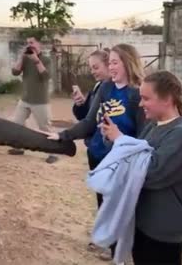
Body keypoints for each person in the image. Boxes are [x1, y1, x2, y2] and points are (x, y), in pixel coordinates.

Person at [45, 43, 146, 262]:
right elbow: (90, 121)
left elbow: (142, 139)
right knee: (104, 203)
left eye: (114, 62)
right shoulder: (106, 88)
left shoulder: (137, 95)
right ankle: (110, 247)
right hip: (99, 157)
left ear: (128, 63)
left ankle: (123, 252)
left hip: (122, 164)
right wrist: (64, 135)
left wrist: (119, 140)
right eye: (109, 62)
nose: (110, 67)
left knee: (121, 210)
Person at [100, 70, 182, 265]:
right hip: (144, 221)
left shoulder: (181, 134)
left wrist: (120, 141)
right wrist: (113, 139)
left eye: (146, 98)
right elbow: (135, 154)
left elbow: (151, 172)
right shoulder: (155, 124)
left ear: (167, 99)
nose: (140, 104)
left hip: (163, 228)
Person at [70, 48, 113, 256]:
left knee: (109, 197)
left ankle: (109, 243)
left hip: (106, 151)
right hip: (94, 149)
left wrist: (65, 136)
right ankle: (103, 237)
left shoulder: (113, 90)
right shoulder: (98, 87)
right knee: (101, 196)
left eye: (96, 67)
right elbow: (85, 117)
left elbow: (92, 122)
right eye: (91, 68)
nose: (93, 72)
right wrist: (79, 103)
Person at [8, 35, 59, 164]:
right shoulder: (25, 59)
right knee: (16, 124)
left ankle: (53, 152)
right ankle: (19, 147)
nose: (30, 45)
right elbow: (15, 72)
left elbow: (46, 76)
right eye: (28, 43)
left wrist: (36, 60)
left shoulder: (46, 59)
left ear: (39, 44)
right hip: (25, 99)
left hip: (40, 100)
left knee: (45, 128)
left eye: (32, 42)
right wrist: (21, 57)